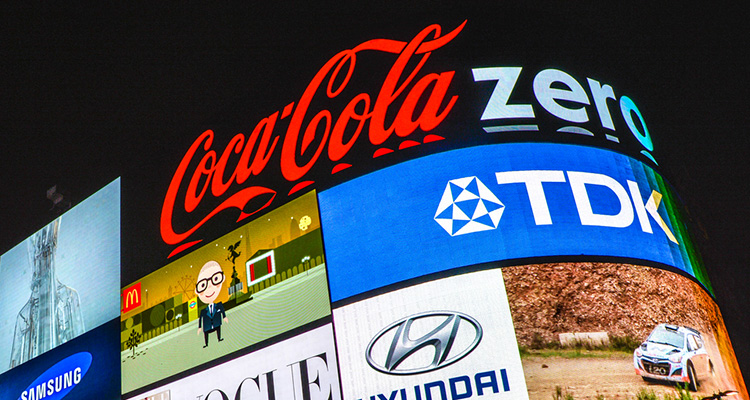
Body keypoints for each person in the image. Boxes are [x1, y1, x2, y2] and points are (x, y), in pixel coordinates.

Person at [196, 260, 228, 348]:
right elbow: (200, 319)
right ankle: (206, 344)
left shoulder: (219, 305)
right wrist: (199, 327)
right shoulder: (203, 311)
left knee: (218, 329)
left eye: (215, 279)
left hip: (216, 323)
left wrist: (224, 317)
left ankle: (219, 338)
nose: (209, 287)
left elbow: (222, 310)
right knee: (206, 334)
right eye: (203, 285)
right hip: (207, 327)